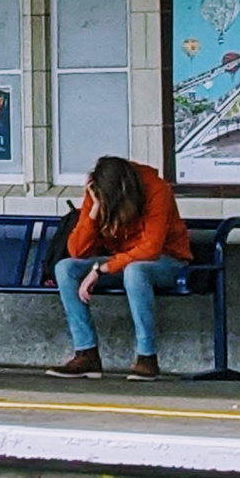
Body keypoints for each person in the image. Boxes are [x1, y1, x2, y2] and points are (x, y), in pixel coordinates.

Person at [48, 154, 194, 380]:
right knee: (65, 268)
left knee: (136, 271)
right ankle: (86, 354)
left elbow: (150, 249)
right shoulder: (97, 191)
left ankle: (147, 357)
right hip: (120, 261)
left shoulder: (157, 189)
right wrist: (94, 210)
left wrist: (100, 269)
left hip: (166, 262)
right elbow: (76, 251)